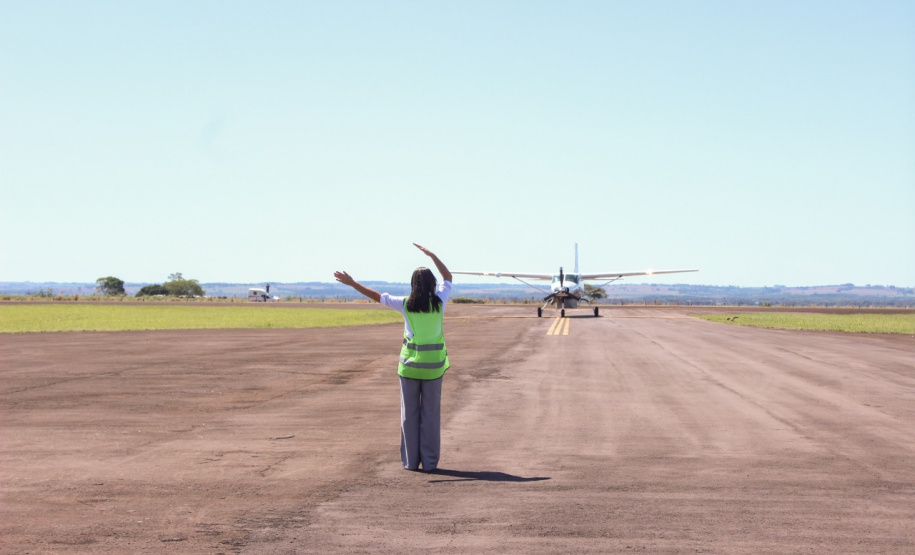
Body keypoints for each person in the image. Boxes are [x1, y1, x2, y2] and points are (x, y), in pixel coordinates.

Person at [333, 243, 453, 472]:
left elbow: (377, 296)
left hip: (409, 368)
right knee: (430, 416)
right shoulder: (439, 303)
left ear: (413, 285)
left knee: (409, 415)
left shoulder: (406, 304)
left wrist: (352, 283)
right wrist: (432, 255)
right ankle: (429, 463)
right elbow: (448, 277)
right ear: (432, 284)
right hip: (434, 369)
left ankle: (410, 462)